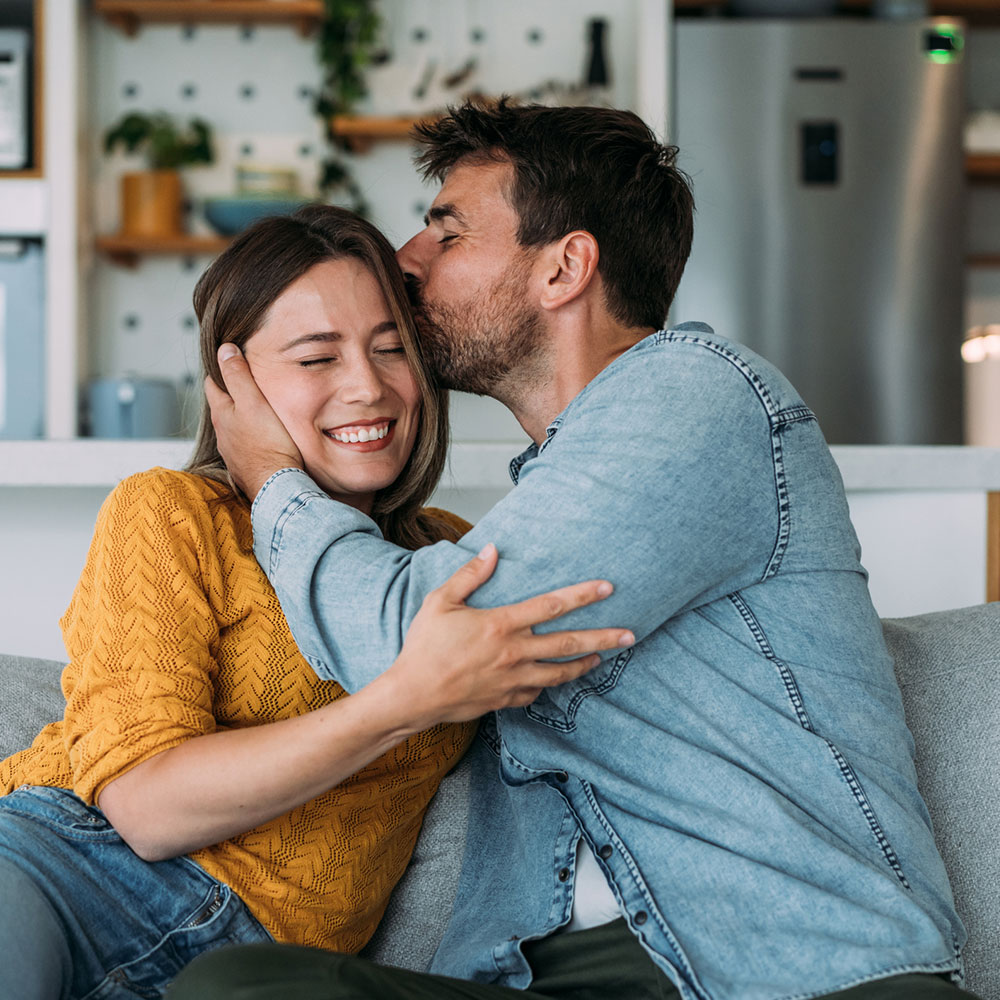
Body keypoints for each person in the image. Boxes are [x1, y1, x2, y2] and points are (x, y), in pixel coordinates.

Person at [180, 100, 979, 999]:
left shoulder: (697, 399)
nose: (404, 259)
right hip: (556, 974)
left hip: (796, 971)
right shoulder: (560, 494)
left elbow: (407, 645)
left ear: (565, 267)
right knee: (237, 986)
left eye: (448, 232)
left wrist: (275, 479)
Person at [0, 204, 632, 1000]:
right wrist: (401, 702)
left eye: (392, 349)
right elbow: (147, 809)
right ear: (237, 384)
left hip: (256, 968)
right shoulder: (170, 513)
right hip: (64, 869)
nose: (368, 387)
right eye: (316, 358)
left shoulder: (455, 559)